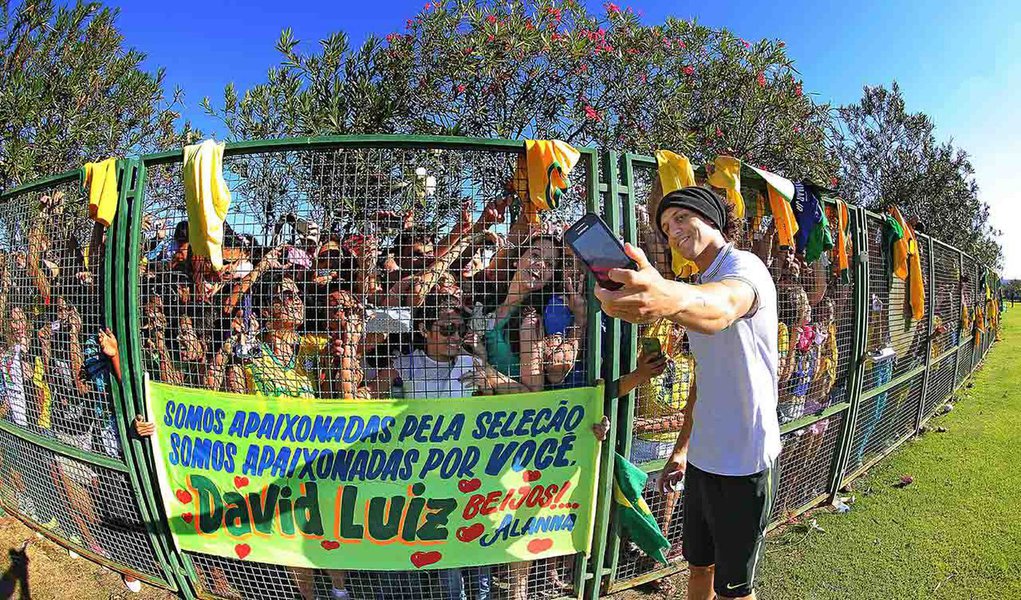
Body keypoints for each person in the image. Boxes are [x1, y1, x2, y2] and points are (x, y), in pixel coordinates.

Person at [595, 186, 780, 600]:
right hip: (703, 460)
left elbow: (725, 306)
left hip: (745, 461)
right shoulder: (699, 282)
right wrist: (681, 449)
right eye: (664, 227)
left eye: (680, 218)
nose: (673, 231)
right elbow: (703, 378)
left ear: (711, 217)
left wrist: (667, 297)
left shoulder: (744, 266)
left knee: (735, 590)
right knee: (699, 568)